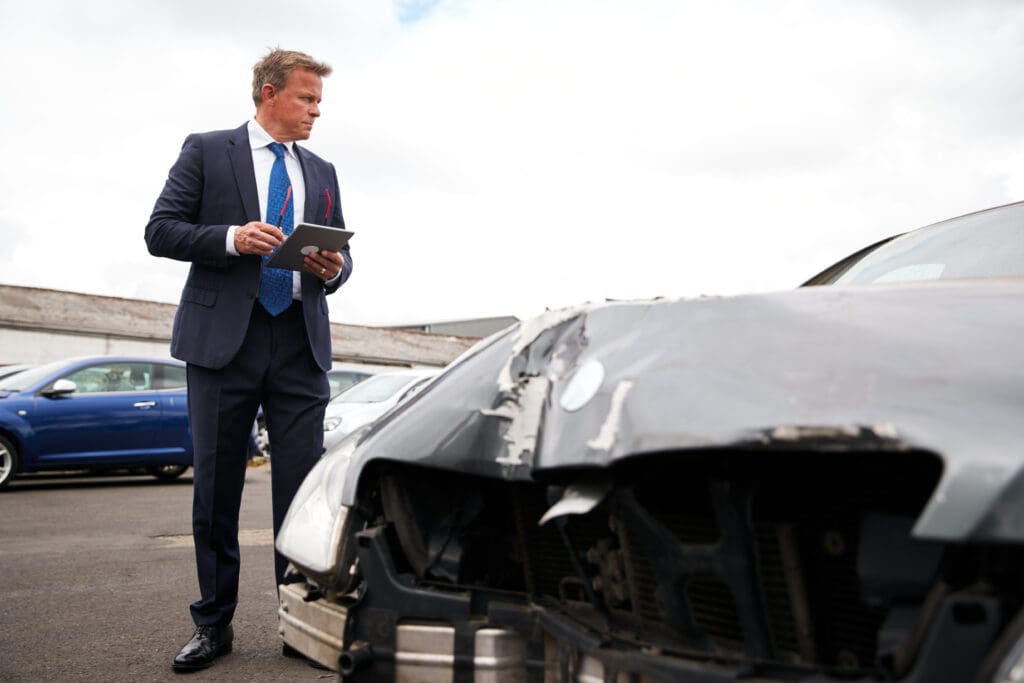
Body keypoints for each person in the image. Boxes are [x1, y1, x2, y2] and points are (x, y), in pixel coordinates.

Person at [145, 48, 352, 672]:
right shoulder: (208, 150)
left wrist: (335, 267)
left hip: (299, 345)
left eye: (319, 100)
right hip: (221, 346)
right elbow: (161, 230)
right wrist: (231, 238)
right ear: (268, 93)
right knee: (215, 490)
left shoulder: (322, 170)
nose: (318, 110)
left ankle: (299, 626)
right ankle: (213, 626)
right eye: (307, 98)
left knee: (301, 497)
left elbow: (342, 253)